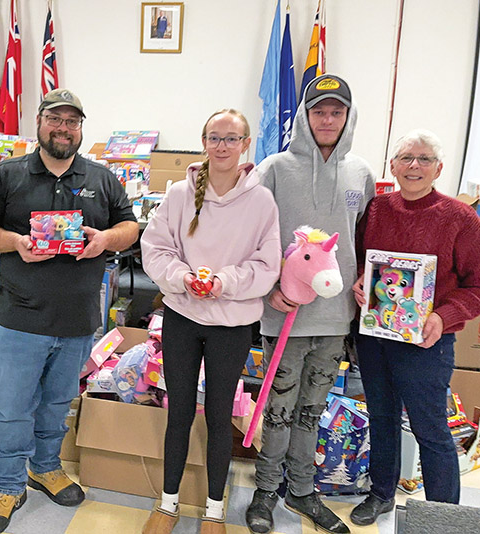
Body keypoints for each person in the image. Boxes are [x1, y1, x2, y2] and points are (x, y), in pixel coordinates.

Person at [0, 88, 139, 534]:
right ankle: (7, 485)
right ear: (40, 123)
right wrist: (16, 242)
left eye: (72, 121)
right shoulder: (8, 174)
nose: (63, 128)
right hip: (22, 318)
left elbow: (130, 226)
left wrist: (106, 239)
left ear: (81, 128)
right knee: (13, 406)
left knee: (58, 403)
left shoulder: (102, 178)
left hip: (79, 319)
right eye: (55, 119)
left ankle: (45, 467)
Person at [140, 109, 281, 534]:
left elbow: (267, 263)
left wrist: (225, 282)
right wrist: (183, 278)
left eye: (231, 138)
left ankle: (215, 510)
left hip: (232, 324)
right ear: (204, 142)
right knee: (179, 411)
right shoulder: (179, 194)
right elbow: (155, 248)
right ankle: (168, 503)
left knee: (220, 417)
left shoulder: (261, 201)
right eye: (215, 137)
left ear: (246, 144)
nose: (222, 146)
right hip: (182, 317)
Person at [246, 74, 376, 534]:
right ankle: (265, 489)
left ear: (348, 117)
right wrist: (267, 289)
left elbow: (364, 239)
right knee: (278, 409)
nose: (327, 119)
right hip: (283, 314)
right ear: (304, 116)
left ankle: (301, 490)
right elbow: (252, 235)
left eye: (336, 111)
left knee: (311, 410)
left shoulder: (361, 173)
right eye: (318, 111)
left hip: (335, 317)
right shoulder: (274, 168)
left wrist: (366, 283)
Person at [348, 130, 480, 526]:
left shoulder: (460, 218)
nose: (414, 166)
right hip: (376, 337)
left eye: (425, 159)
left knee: (430, 429)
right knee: (381, 418)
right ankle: (381, 494)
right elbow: (360, 260)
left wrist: (443, 316)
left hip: (428, 344)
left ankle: (443, 516)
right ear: (393, 166)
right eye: (406, 158)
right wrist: (362, 279)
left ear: (439, 169)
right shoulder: (376, 210)